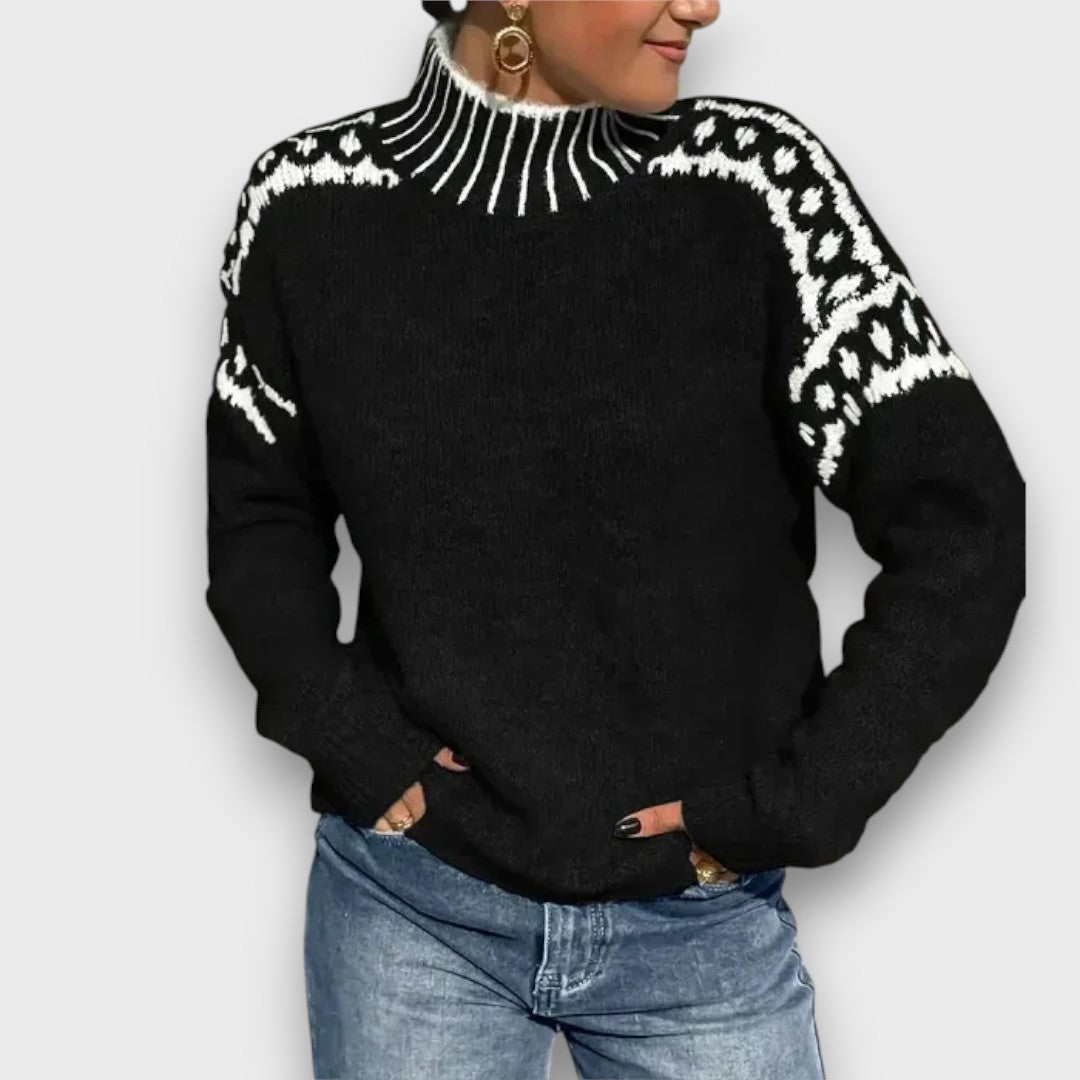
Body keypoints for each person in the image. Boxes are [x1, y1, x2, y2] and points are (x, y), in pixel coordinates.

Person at [203, 1, 1026, 1076]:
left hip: (701, 930)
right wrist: (343, 728)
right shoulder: (306, 204)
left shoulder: (755, 187)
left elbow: (965, 523)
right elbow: (260, 513)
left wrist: (805, 797)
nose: (704, 5)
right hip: (412, 913)